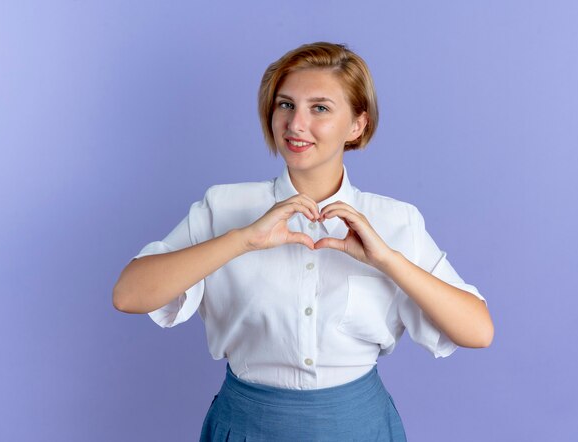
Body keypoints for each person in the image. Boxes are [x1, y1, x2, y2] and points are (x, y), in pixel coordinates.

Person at [113, 42, 494, 441]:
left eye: (320, 108)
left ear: (357, 125)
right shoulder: (223, 205)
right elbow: (128, 295)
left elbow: (478, 331)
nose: (295, 124)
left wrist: (387, 260)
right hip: (246, 426)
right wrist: (242, 240)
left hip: (359, 428)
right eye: (285, 105)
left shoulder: (395, 220)